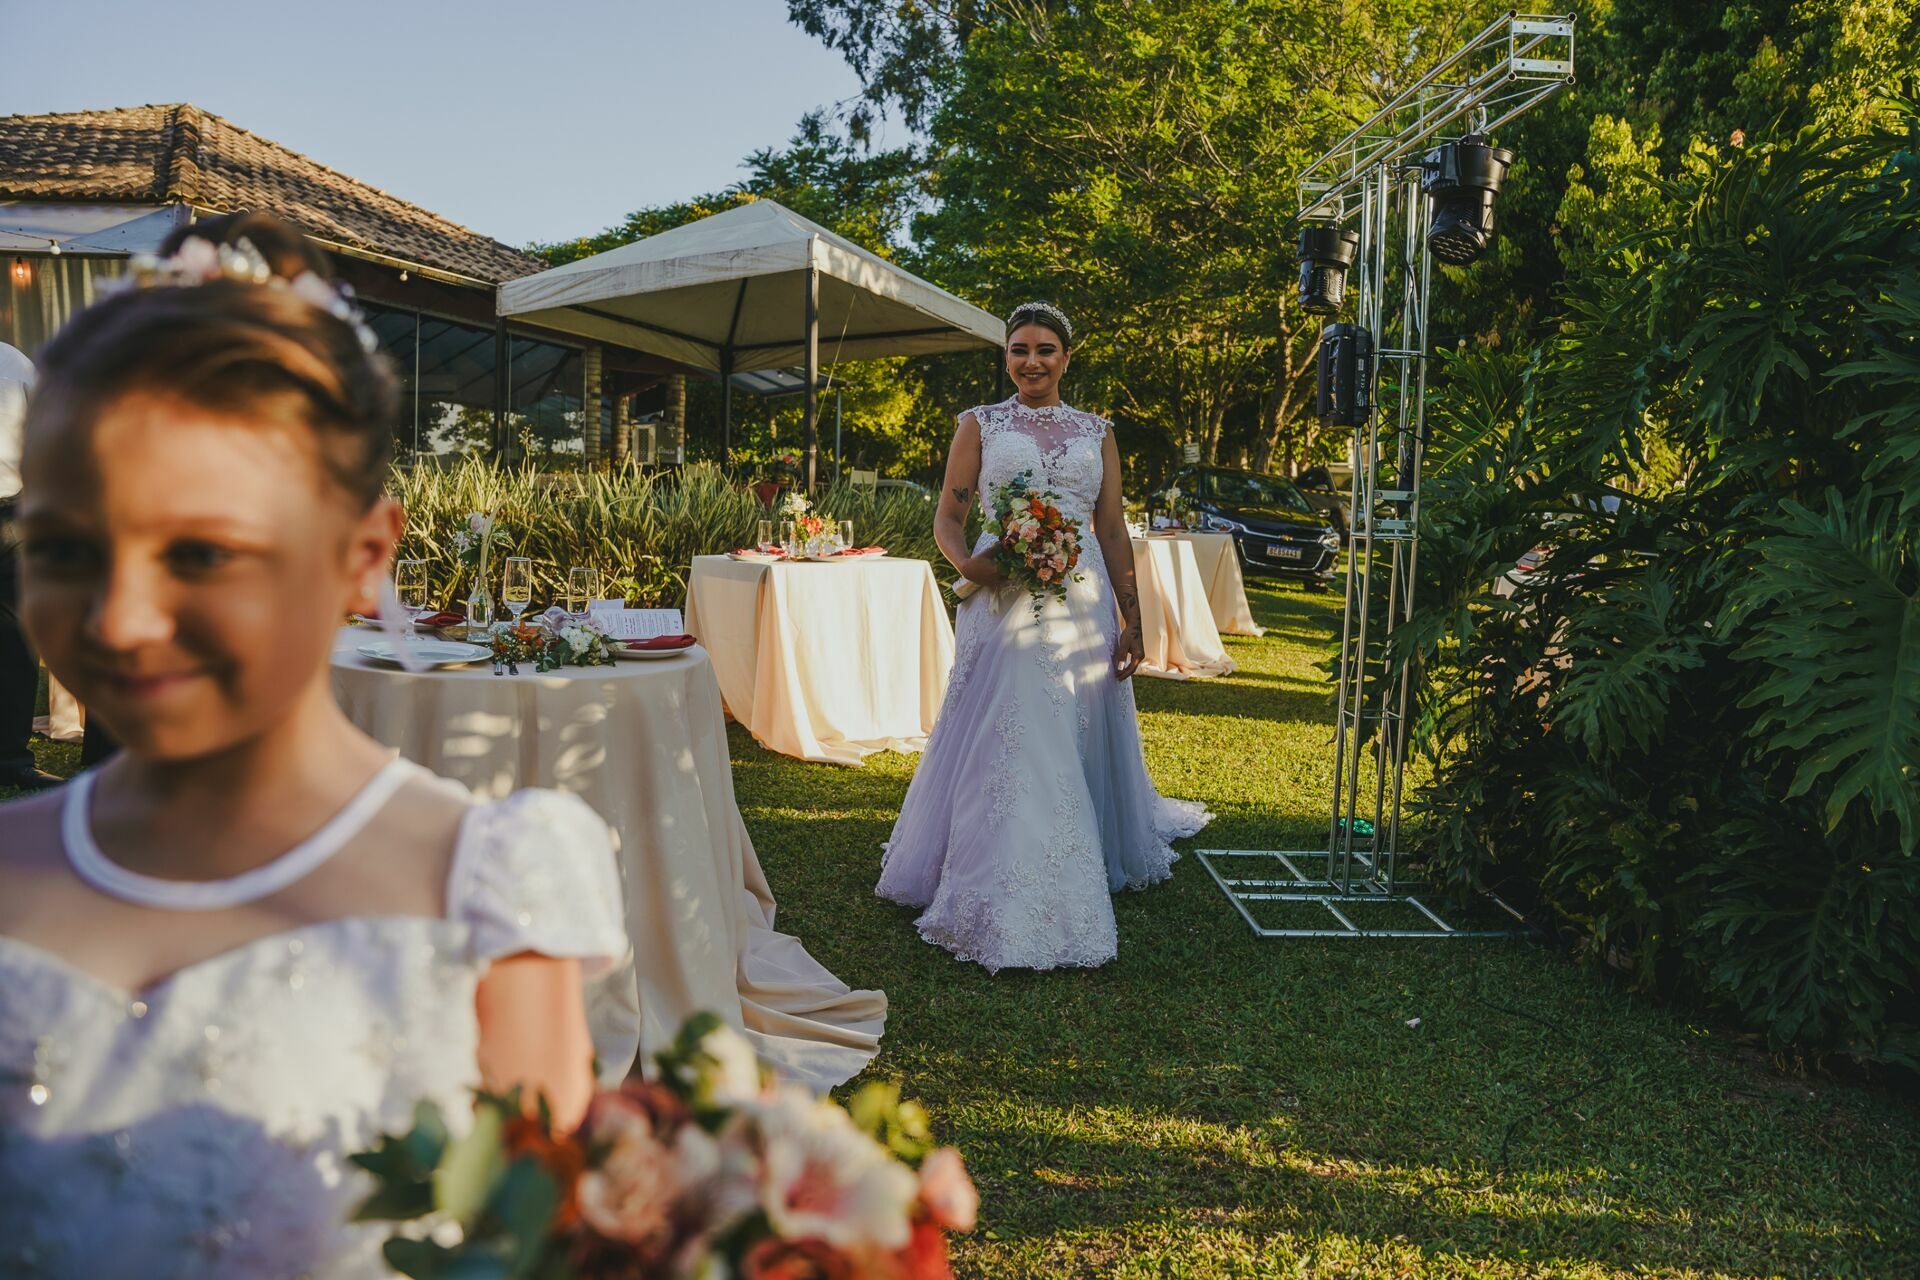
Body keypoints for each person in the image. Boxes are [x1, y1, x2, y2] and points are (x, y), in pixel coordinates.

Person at [0, 213, 628, 1277]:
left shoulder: (484, 881)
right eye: (65, 547)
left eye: (202, 550)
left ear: (359, 552)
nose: (118, 619)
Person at [876, 301, 1210, 971]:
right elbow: (949, 512)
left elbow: (1112, 530)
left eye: (1045, 349)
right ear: (1005, 356)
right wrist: (967, 562)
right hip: (1001, 597)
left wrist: (1132, 621)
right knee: (1011, 727)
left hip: (1081, 599)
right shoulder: (980, 423)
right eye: (1019, 348)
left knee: (1071, 724)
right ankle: (996, 875)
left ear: (1066, 357)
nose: (1031, 361)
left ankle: (1071, 849)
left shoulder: (1098, 431)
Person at [0, 338, 61, 790]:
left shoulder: (13, 361)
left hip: (14, 514)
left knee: (18, 643)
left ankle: (10, 757)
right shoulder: (13, 360)